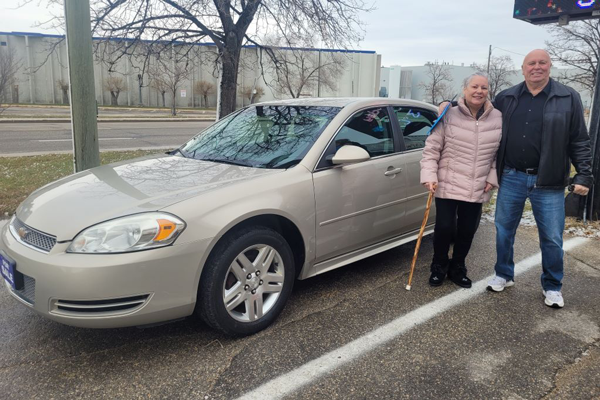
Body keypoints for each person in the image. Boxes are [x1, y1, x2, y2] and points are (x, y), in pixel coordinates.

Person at [442, 50, 593, 307]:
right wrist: (450, 104)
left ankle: (553, 285)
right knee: (503, 231)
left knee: (552, 237)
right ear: (523, 69)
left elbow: (579, 139)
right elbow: (479, 113)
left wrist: (584, 175)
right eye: (531, 63)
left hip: (549, 180)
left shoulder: (568, 97)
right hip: (511, 176)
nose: (537, 67)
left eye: (542, 63)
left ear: (549, 67)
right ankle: (503, 274)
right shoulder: (507, 97)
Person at [421, 72, 502, 288]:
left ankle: (458, 267)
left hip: (478, 184)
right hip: (448, 181)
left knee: (467, 230)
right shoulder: (449, 114)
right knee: (445, 228)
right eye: (474, 86)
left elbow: (498, 154)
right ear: (465, 90)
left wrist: (492, 177)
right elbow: (432, 149)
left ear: (488, 91)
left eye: (484, 88)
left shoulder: (498, 118)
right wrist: (429, 174)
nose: (479, 91)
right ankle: (438, 266)